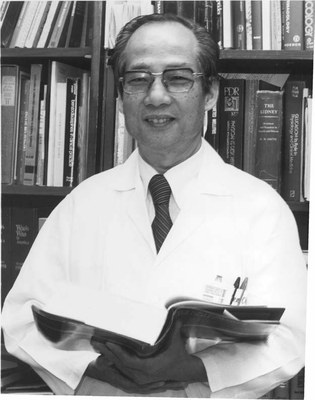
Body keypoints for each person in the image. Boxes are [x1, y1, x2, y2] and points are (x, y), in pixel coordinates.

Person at [2, 13, 307, 398]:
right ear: (120, 95)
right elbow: (20, 320)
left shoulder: (261, 209)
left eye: (178, 78)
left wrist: (194, 376)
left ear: (210, 92)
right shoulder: (82, 204)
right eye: (138, 79)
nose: (156, 95)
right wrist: (90, 378)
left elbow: (292, 336)